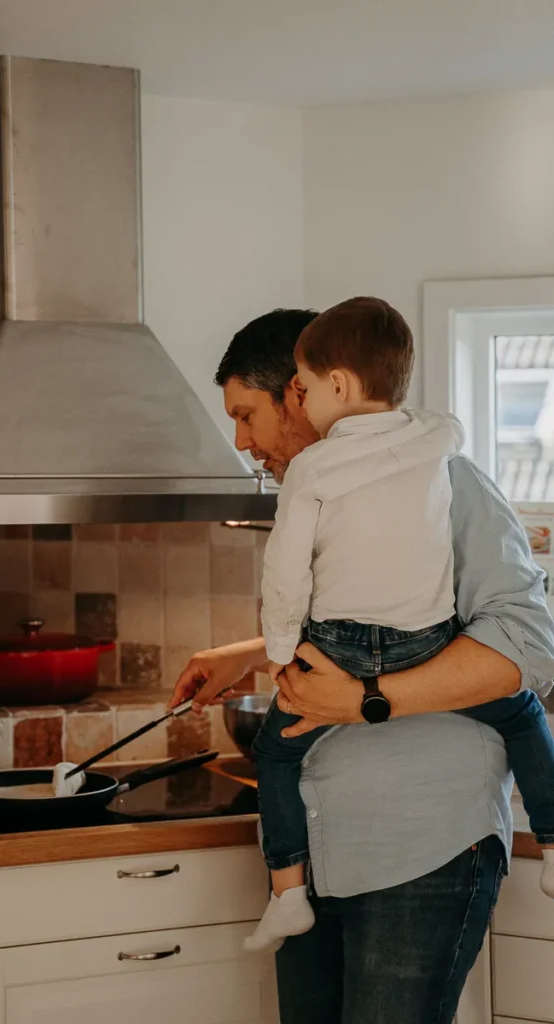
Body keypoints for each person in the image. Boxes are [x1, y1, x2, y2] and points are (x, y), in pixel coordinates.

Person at [169, 308, 554, 1024]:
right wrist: (253, 654)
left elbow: (524, 648)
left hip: (423, 849)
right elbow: (382, 623)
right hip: (317, 856)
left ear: (302, 392)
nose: (241, 441)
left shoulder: (445, 480)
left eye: (247, 414)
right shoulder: (320, 490)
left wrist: (367, 700)